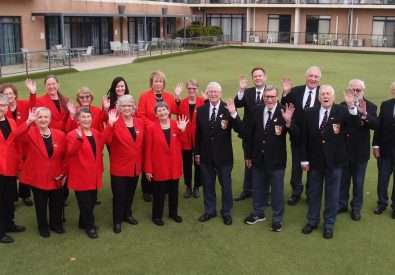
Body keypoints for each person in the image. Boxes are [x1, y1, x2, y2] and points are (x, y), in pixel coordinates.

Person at [300, 85, 359, 239]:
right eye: (323, 94)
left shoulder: (342, 111)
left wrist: (352, 106)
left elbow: (354, 125)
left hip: (335, 163)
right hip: (315, 163)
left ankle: (328, 225)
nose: (325, 96)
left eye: (328, 94)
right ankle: (312, 221)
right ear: (319, 97)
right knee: (314, 194)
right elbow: (303, 139)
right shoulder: (310, 113)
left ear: (333, 97)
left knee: (332, 195)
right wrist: (304, 160)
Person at [244, 86, 296, 232]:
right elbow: (249, 135)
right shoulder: (256, 110)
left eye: (272, 96)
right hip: (258, 159)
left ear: (277, 97)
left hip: (276, 161)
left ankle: (277, 219)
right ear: (263, 97)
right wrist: (248, 155)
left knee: (277, 192)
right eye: (267, 96)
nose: (269, 99)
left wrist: (288, 123)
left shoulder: (284, 111)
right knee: (258, 188)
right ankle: (258, 213)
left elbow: (296, 135)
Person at [15, 107, 67, 238]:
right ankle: (43, 226)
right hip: (38, 176)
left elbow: (65, 156)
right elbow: (16, 136)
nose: (43, 119)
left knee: (56, 202)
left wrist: (64, 173)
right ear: (36, 120)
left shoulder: (60, 134)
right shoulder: (30, 133)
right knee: (40, 204)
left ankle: (56, 224)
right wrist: (28, 122)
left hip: (56, 175)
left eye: (46, 117)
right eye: (40, 117)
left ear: (50, 119)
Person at [195, 82, 242, 225]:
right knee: (208, 185)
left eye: (216, 92)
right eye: (211, 92)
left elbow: (240, 129)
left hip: (224, 157)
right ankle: (210, 210)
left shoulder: (227, 109)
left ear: (220, 93)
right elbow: (198, 134)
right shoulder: (201, 110)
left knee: (226, 186)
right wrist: (197, 153)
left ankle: (226, 212)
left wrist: (234, 114)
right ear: (207, 94)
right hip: (206, 156)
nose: (213, 94)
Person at [338, 79, 378, 221]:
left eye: (358, 90)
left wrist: (364, 114)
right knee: (343, 180)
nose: (355, 93)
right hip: (344, 151)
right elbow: (340, 124)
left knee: (358, 182)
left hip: (360, 153)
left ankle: (356, 208)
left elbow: (375, 124)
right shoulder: (342, 106)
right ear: (348, 90)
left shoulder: (371, 106)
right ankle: (341, 204)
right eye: (352, 90)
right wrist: (350, 107)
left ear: (363, 91)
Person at [281, 66, 321, 206]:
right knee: (297, 166)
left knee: (313, 167)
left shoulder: (323, 93)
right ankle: (296, 192)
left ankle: (311, 193)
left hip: (315, 139)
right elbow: (285, 106)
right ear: (306, 77)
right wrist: (285, 93)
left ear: (319, 79)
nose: (313, 79)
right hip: (297, 135)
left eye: (316, 76)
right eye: (311, 76)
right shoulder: (296, 91)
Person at [144, 102, 188, 226]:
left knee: (174, 192)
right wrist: (148, 169)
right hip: (159, 167)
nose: (162, 112)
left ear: (168, 111)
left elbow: (184, 143)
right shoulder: (151, 128)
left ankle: (173, 213)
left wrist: (183, 130)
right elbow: (147, 150)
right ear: (156, 114)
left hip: (174, 165)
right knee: (159, 193)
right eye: (159, 111)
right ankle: (156, 216)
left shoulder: (176, 125)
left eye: (164, 110)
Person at [106, 95, 145, 233]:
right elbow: (107, 140)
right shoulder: (114, 122)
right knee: (119, 195)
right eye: (124, 106)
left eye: (129, 105)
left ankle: (127, 214)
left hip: (135, 166)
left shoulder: (140, 122)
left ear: (134, 107)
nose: (127, 108)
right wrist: (110, 125)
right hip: (119, 167)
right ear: (119, 108)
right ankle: (117, 220)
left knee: (130, 193)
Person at [137, 70, 176, 202]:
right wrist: (153, 125)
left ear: (163, 83)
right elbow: (140, 115)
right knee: (149, 158)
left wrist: (177, 98)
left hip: (166, 132)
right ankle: (147, 189)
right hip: (149, 132)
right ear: (151, 83)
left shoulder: (169, 96)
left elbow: (175, 111)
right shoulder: (144, 96)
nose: (158, 84)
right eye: (156, 81)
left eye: (160, 81)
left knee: (163, 158)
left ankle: (163, 188)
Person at [66, 108, 104, 239]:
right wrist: (79, 139)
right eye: (83, 117)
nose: (86, 119)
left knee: (92, 200)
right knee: (85, 203)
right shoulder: (72, 134)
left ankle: (82, 223)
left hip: (93, 174)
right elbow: (70, 152)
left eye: (88, 117)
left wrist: (110, 124)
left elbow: (101, 148)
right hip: (81, 175)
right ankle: (90, 226)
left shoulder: (95, 133)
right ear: (78, 120)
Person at [234, 67, 268, 201]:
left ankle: (264, 192)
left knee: (265, 164)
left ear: (265, 77)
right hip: (249, 135)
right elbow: (237, 103)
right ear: (252, 78)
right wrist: (242, 89)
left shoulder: (270, 92)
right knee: (248, 162)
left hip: (265, 135)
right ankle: (247, 190)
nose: (258, 78)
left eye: (260, 75)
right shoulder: (247, 92)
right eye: (255, 76)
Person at [1, 81, 36, 206]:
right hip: (11, 146)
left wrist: (32, 93)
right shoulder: (3, 110)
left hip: (25, 143)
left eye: (11, 93)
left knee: (25, 169)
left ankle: (25, 194)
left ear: (15, 94)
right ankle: (12, 197)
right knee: (11, 171)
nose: (9, 96)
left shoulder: (23, 104)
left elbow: (32, 107)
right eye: (6, 94)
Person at [0, 94, 26, 244]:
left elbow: (16, 142)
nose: (0, 108)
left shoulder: (10, 121)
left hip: (10, 167)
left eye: (3, 105)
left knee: (9, 199)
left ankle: (9, 224)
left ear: (7, 107)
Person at [174, 80, 205, 198]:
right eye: (189, 88)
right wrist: (176, 96)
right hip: (185, 138)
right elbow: (174, 109)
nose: (191, 91)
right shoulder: (182, 103)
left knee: (198, 163)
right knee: (187, 163)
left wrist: (207, 99)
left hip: (198, 138)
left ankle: (197, 186)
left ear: (197, 89)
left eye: (194, 88)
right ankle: (188, 186)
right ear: (187, 90)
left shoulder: (202, 102)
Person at [372, 81, 395, 219]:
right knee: (383, 178)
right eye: (393, 89)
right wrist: (376, 146)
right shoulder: (386, 105)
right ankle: (382, 203)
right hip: (385, 150)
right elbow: (378, 127)